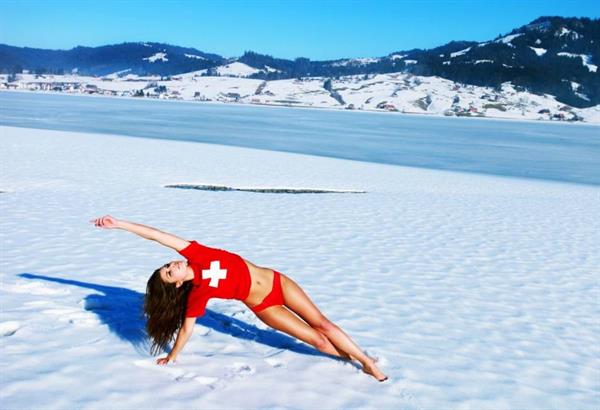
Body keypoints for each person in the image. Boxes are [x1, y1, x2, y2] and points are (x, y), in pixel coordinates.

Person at [90, 215, 388, 381]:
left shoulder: (197, 253)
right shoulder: (197, 294)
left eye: (168, 265)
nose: (173, 265)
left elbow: (157, 234)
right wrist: (174, 355)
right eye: (170, 272)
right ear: (177, 285)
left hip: (278, 283)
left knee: (322, 323)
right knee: (319, 341)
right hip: (263, 305)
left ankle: (366, 361)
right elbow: (187, 328)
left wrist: (120, 225)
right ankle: (351, 358)